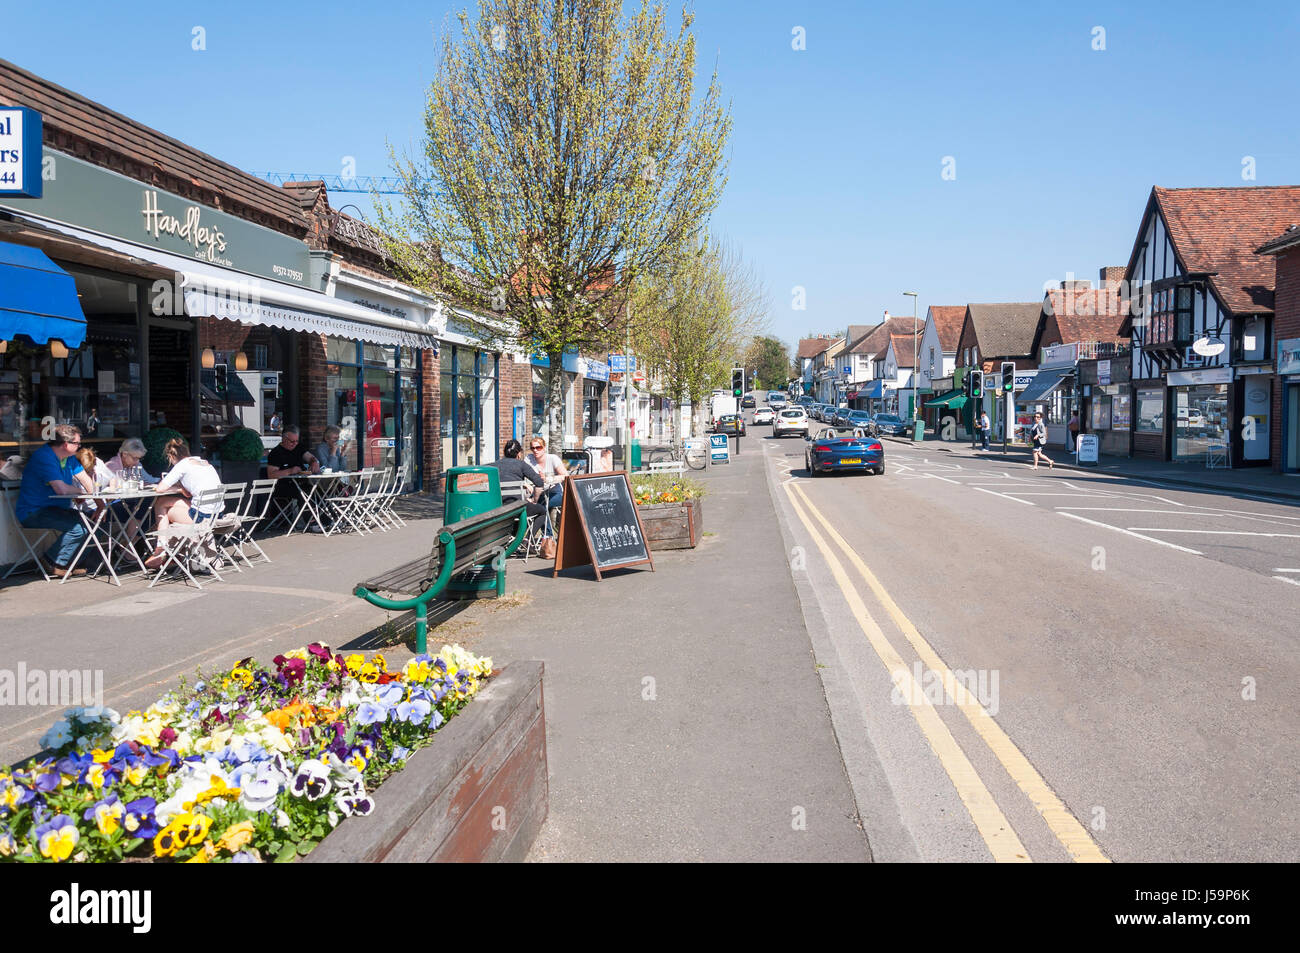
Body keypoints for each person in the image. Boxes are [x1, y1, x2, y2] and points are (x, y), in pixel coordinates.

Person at [14, 424, 96, 578]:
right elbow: (61, 489)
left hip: (57, 509)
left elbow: (87, 482)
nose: (80, 446)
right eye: (77, 443)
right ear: (66, 444)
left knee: (94, 524)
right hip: (34, 511)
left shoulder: (69, 458)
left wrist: (98, 503)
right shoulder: (44, 457)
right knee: (78, 528)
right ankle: (52, 561)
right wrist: (80, 491)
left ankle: (72, 562)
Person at [143, 438, 224, 569]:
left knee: (161, 505)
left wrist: (177, 488)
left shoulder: (181, 465)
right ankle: (175, 552)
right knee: (164, 502)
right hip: (217, 514)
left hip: (202, 517)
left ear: (171, 456)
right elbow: (192, 491)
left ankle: (161, 548)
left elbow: (160, 489)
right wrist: (181, 488)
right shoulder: (203, 462)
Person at [492, 439, 555, 558]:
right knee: (541, 511)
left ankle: (511, 542)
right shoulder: (521, 465)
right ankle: (527, 539)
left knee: (519, 511)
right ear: (519, 453)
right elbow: (539, 483)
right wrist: (535, 500)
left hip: (499, 508)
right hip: (517, 508)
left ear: (504, 452)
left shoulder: (494, 465)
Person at [524, 436, 568, 515]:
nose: (535, 450)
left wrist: (547, 479)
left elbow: (565, 476)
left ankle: (547, 528)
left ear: (544, 448)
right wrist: (526, 484)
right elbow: (521, 474)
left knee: (541, 505)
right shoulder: (529, 459)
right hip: (536, 494)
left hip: (555, 493)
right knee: (526, 505)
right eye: (532, 448)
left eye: (538, 447)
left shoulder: (553, 459)